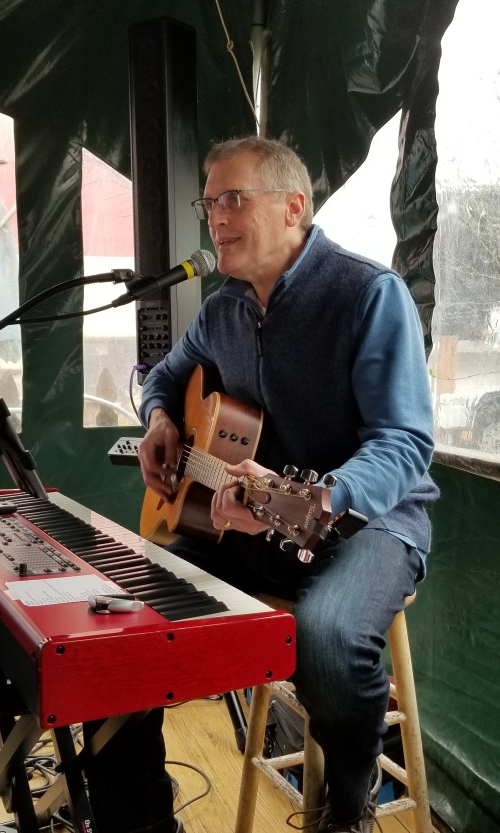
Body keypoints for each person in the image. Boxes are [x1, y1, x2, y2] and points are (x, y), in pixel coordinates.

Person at [134, 136, 439, 833]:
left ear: (294, 206)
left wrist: (322, 496)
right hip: (252, 522)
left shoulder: (367, 294)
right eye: (208, 203)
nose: (216, 216)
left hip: (371, 521)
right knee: (130, 610)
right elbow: (165, 375)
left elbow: (403, 442)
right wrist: (159, 418)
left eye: (232, 198)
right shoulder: (221, 311)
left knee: (326, 634)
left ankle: (351, 797)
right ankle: (141, 812)